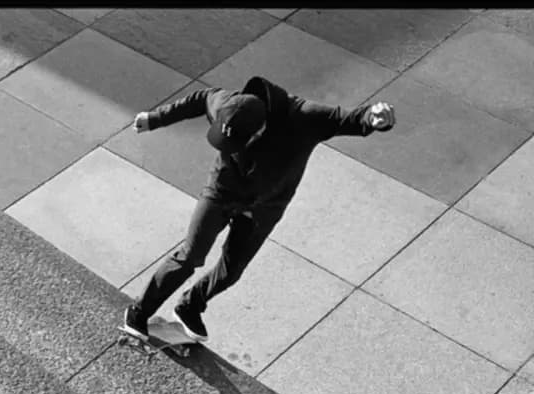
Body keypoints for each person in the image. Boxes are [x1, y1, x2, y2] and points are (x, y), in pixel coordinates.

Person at [123, 76, 395, 343]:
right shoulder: (227, 103)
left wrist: (374, 117)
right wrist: (156, 118)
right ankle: (138, 312)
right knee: (191, 255)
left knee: (231, 272)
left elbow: (347, 119)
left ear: (259, 130)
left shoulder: (304, 118)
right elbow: (199, 99)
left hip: (265, 205)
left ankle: (190, 306)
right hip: (222, 190)